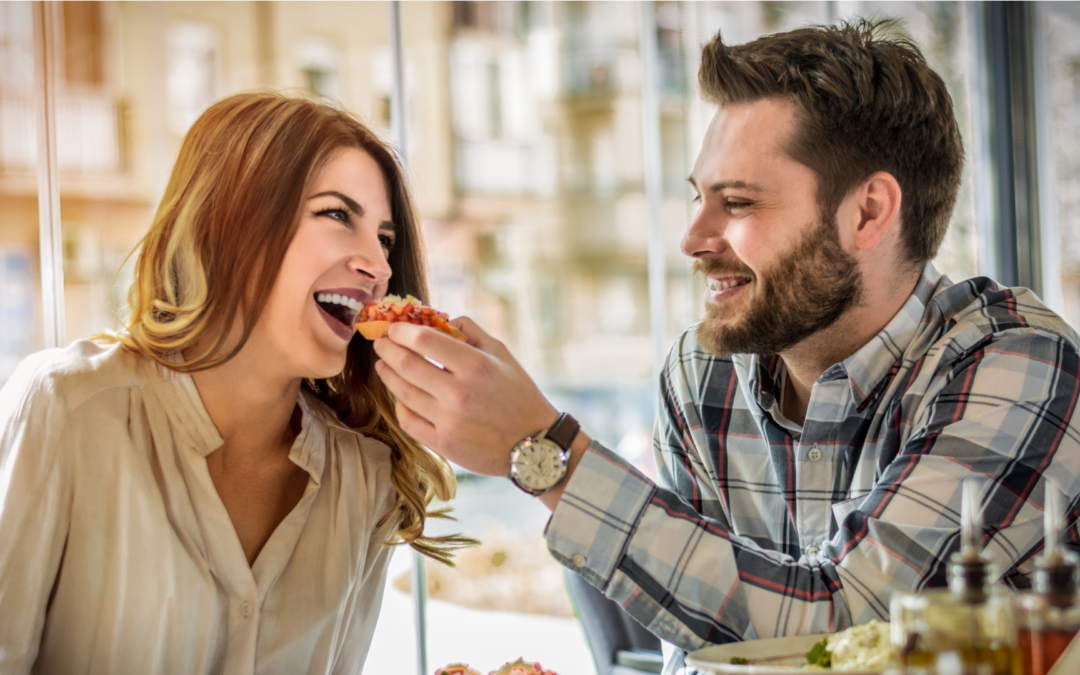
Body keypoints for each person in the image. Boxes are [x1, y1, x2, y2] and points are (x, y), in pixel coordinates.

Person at [372, 19, 1080, 674]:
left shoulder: (1018, 367)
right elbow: (703, 657)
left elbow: (841, 638)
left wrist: (545, 452)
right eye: (698, 197)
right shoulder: (702, 375)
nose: (692, 239)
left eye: (737, 202)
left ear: (868, 212)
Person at [0, 91, 470, 674]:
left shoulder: (365, 479)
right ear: (233, 220)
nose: (377, 265)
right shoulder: (67, 409)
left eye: (385, 238)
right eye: (336, 214)